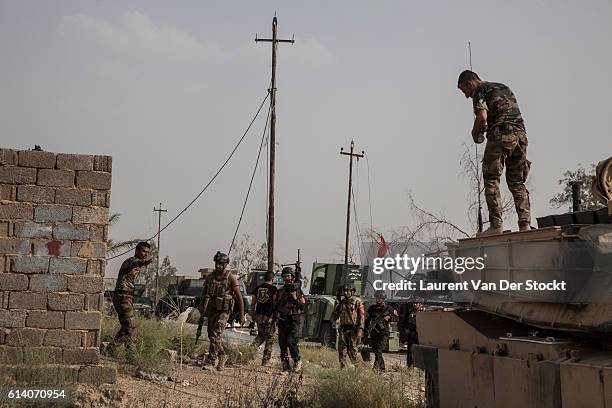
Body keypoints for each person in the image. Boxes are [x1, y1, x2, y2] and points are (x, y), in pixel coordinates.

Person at [458, 70, 532, 235]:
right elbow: (503, 111)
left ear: (470, 83)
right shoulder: (503, 86)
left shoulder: (479, 90)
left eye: (464, 90)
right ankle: (525, 224)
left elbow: (482, 117)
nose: (466, 96)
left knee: (491, 177)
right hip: (521, 136)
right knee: (517, 182)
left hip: (501, 134)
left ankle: (496, 225)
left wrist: (475, 132)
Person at [199, 251, 245, 371]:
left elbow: (240, 298)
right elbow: (204, 295)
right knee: (211, 335)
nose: (218, 266)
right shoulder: (210, 277)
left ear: (225, 264)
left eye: (221, 264)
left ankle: (212, 360)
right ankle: (222, 354)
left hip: (224, 312)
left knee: (215, 335)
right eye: (217, 263)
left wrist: (241, 315)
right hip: (212, 310)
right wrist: (201, 309)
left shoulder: (230, 277)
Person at [109, 242, 153, 354]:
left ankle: (111, 349)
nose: (145, 254)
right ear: (137, 250)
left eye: (147, 252)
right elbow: (136, 262)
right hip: (122, 296)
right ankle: (131, 356)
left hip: (127, 297)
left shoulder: (137, 265)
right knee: (131, 327)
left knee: (126, 326)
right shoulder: (131, 261)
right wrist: (145, 262)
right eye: (143, 251)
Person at [275, 267, 306, 372]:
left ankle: (297, 360)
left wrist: (294, 298)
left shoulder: (298, 290)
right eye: (284, 276)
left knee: (291, 342)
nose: (286, 278)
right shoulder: (280, 291)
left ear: (292, 277)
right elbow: (276, 305)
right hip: (283, 320)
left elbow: (303, 306)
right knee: (282, 345)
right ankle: (285, 365)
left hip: (295, 320)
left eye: (288, 276)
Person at [332, 282, 365, 368]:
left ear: (352, 292)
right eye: (345, 291)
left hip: (353, 330)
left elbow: (361, 316)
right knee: (342, 350)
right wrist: (336, 305)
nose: (346, 293)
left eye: (348, 291)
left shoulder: (357, 302)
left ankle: (357, 369)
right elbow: (335, 316)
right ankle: (342, 368)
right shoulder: (341, 303)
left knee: (353, 351)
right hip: (343, 329)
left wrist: (360, 329)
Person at [364, 291, 398, 372]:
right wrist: (365, 331)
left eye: (380, 298)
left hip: (383, 333)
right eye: (377, 298)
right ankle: (382, 368)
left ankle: (376, 367)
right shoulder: (372, 308)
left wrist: (389, 318)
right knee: (376, 351)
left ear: (383, 299)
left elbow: (397, 318)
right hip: (374, 332)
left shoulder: (389, 308)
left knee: (379, 350)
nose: (378, 300)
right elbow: (367, 321)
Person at [251, 271, 278, 366]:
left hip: (259, 315)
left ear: (264, 278)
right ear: (272, 279)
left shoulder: (258, 288)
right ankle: (265, 361)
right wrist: (274, 316)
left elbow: (253, 302)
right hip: (268, 316)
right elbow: (275, 304)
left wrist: (253, 314)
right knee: (270, 338)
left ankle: (249, 351)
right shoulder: (274, 289)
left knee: (261, 335)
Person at [401, 302, 422, 367]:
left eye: (416, 303)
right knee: (410, 350)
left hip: (421, 334)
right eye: (413, 303)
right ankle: (409, 366)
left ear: (420, 304)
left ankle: (420, 366)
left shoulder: (424, 312)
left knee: (421, 351)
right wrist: (406, 329)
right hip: (412, 334)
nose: (414, 305)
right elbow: (404, 322)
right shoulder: (410, 312)